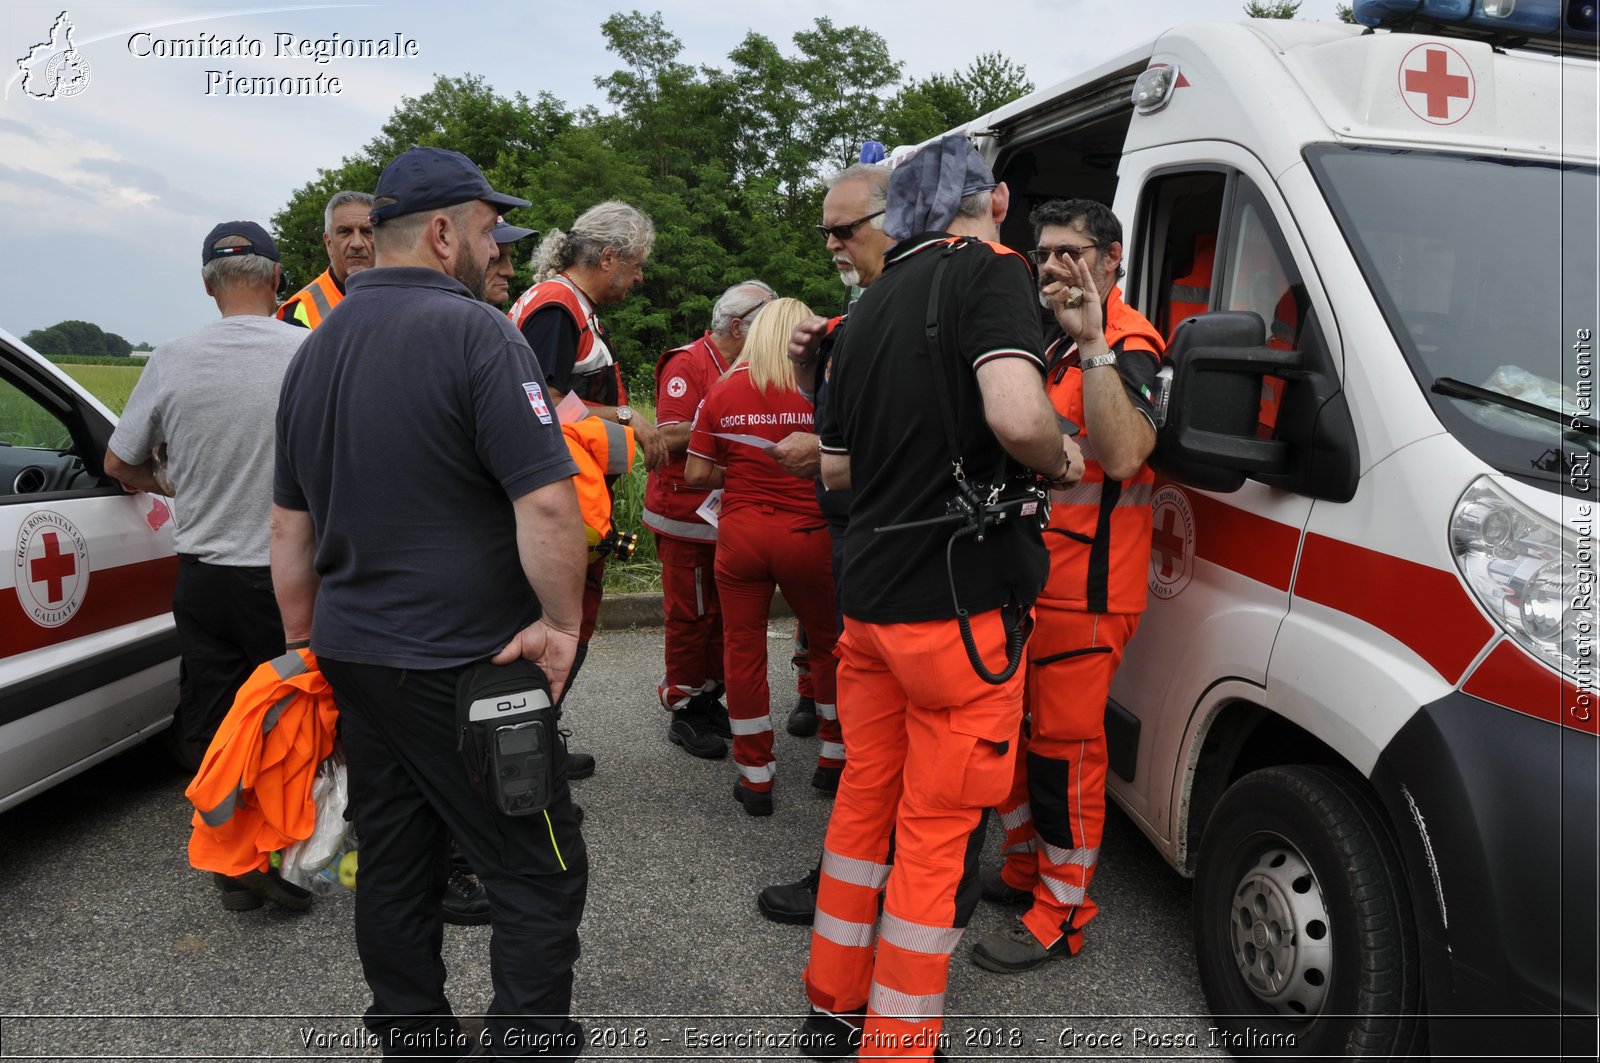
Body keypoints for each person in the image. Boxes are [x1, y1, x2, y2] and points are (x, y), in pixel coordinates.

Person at [271, 147, 588, 1061]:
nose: (501, 252)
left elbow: (288, 528)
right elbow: (548, 500)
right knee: (536, 866)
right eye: (491, 230)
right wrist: (563, 626)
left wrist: (306, 646)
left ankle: (411, 1033)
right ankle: (528, 1040)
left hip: (358, 656)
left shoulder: (315, 344)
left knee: (398, 861)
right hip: (466, 665)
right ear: (444, 231)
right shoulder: (480, 334)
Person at [799, 135, 1083, 1061]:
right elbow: (1013, 412)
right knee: (934, 833)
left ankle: (831, 1006)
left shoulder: (864, 309)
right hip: (959, 613)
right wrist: (1064, 457)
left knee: (861, 811)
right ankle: (900, 1042)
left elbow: (836, 471)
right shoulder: (990, 273)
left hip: (870, 608)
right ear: (991, 202)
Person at [970, 198, 1166, 972]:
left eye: (1069, 252)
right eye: (1043, 251)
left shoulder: (1128, 343)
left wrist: (1094, 347)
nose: (1050, 264)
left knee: (1064, 758)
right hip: (1033, 580)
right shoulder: (1045, 340)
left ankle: (1064, 912)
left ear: (1110, 259)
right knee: (1016, 745)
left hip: (1088, 589)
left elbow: (1122, 458)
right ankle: (1025, 871)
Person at [104, 221, 306, 786]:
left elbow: (118, 463)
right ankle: (290, 845)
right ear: (274, 276)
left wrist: (172, 484)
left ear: (206, 284)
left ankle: (228, 839)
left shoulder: (171, 358)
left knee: (217, 719)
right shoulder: (313, 351)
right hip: (288, 577)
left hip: (204, 579)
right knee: (293, 714)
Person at [758, 162, 895, 925]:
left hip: (892, 553)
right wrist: (815, 376)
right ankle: (858, 881)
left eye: (846, 229)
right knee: (876, 734)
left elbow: (927, 447)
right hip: (857, 541)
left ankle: (871, 884)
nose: (833, 245)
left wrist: (829, 457)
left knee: (888, 742)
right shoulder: (859, 314)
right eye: (826, 233)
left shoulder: (916, 309)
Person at [508, 201, 667, 773]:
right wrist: (625, 417)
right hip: (561, 497)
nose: (640, 276)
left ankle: (536, 738)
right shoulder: (557, 307)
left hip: (573, 494)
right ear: (608, 257)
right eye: (638, 263)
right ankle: (526, 746)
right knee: (560, 620)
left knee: (565, 618)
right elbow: (541, 401)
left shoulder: (566, 304)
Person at [683, 298, 840, 816]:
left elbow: (696, 475)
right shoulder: (822, 389)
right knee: (830, 646)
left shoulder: (723, 389)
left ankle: (755, 776)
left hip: (742, 535)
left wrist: (747, 473)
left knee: (742, 648)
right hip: (808, 534)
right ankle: (834, 760)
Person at [646, 279, 776, 759]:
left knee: (723, 615)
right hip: (685, 516)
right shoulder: (688, 362)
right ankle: (684, 707)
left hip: (728, 516)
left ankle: (709, 696)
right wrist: (721, 411)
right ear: (740, 326)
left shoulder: (748, 363)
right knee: (690, 616)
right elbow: (669, 436)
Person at [276, 190, 374, 329]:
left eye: (367, 231)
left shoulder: (402, 297)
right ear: (328, 243)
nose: (357, 243)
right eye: (345, 232)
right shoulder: (300, 310)